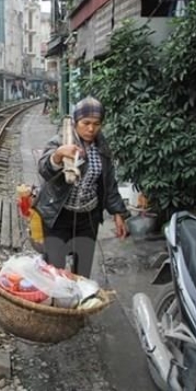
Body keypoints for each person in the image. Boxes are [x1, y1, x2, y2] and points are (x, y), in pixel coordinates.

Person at [33, 96, 129, 278]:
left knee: (82, 271)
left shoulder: (102, 146)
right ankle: (56, 304)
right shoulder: (60, 141)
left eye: (96, 123)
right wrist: (58, 156)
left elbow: (109, 182)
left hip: (88, 217)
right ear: (76, 121)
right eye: (86, 123)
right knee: (55, 270)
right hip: (58, 215)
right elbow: (44, 169)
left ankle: (78, 303)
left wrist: (118, 213)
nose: (91, 128)